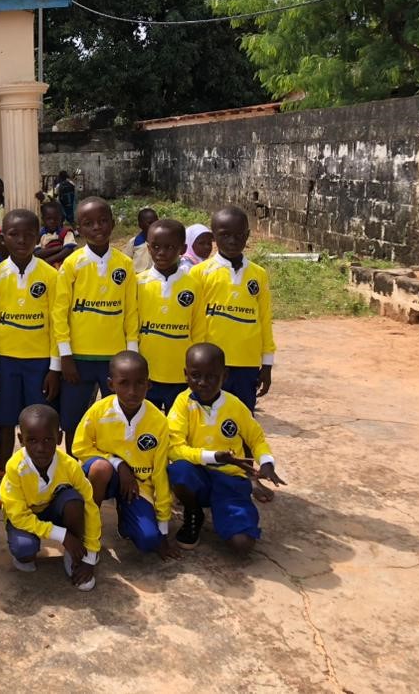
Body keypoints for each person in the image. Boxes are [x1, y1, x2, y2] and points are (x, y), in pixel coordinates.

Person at [190, 206, 276, 501]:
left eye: (239, 235)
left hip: (246, 363)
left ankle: (249, 476)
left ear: (248, 236)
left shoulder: (258, 275)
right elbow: (196, 321)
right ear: (214, 237)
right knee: (205, 419)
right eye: (225, 235)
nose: (232, 240)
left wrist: (266, 363)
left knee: (245, 421)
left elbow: (264, 319)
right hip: (211, 367)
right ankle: (203, 475)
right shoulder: (200, 274)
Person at [167, 344, 286, 554]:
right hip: (199, 477)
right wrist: (213, 457)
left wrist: (266, 462)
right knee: (178, 470)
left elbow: (256, 437)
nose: (203, 383)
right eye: (195, 376)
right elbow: (174, 448)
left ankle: (230, 510)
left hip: (230, 481)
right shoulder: (182, 404)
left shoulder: (234, 405)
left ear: (225, 375)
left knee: (242, 545)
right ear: (185, 375)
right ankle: (193, 512)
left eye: (211, 376)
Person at [72, 352, 179, 559]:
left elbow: (159, 473)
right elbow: (80, 448)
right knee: (99, 469)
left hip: (138, 487)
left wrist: (163, 530)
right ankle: (88, 527)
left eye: (140, 383)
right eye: (124, 383)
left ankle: (126, 516)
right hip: (107, 476)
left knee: (149, 540)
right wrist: (118, 464)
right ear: (111, 385)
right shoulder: (99, 412)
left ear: (149, 384)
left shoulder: (158, 421)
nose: (132, 391)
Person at [54, 197, 139, 451]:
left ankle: (113, 463)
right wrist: (65, 355)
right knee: (73, 418)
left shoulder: (124, 264)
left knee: (115, 416)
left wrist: (131, 354)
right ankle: (72, 464)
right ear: (79, 229)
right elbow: (59, 313)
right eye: (89, 223)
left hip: (115, 359)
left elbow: (131, 311)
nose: (97, 228)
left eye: (103, 221)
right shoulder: (72, 264)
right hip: (78, 358)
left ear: (113, 224)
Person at [0, 209, 60, 492]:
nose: (21, 240)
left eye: (29, 234)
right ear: (3, 238)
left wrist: (54, 368)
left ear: (37, 238)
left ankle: (40, 474)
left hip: (40, 363)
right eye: (14, 234)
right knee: (5, 421)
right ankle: (5, 473)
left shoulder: (50, 276)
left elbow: (56, 324)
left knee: (40, 421)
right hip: (6, 363)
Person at [0, 404, 101, 591]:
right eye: (32, 440)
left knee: (74, 501)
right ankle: (66, 542)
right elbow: (19, 516)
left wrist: (90, 555)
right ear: (21, 440)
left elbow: (90, 506)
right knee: (24, 549)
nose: (41, 448)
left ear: (59, 438)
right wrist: (63, 535)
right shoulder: (14, 468)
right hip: (26, 517)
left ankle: (75, 554)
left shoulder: (70, 466)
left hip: (54, 510)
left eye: (48, 439)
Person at [137, 219, 206, 413]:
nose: (161, 253)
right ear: (148, 247)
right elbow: (131, 329)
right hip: (147, 375)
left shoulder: (193, 286)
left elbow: (198, 330)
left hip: (180, 375)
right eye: (156, 247)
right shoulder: (138, 284)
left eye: (169, 247)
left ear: (182, 249)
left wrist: (195, 369)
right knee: (149, 430)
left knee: (178, 430)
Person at [35, 202, 77, 267]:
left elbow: (68, 250)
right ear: (43, 219)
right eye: (49, 218)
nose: (52, 221)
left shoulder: (66, 232)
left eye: (56, 219)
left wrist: (49, 260)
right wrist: (59, 248)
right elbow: (37, 253)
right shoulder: (40, 235)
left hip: (64, 266)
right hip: (46, 268)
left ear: (61, 219)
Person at [122, 207, 157, 273]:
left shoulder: (163, 241)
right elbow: (124, 261)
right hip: (138, 278)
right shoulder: (134, 242)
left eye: (156, 222)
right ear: (140, 225)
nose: (154, 225)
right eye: (150, 223)